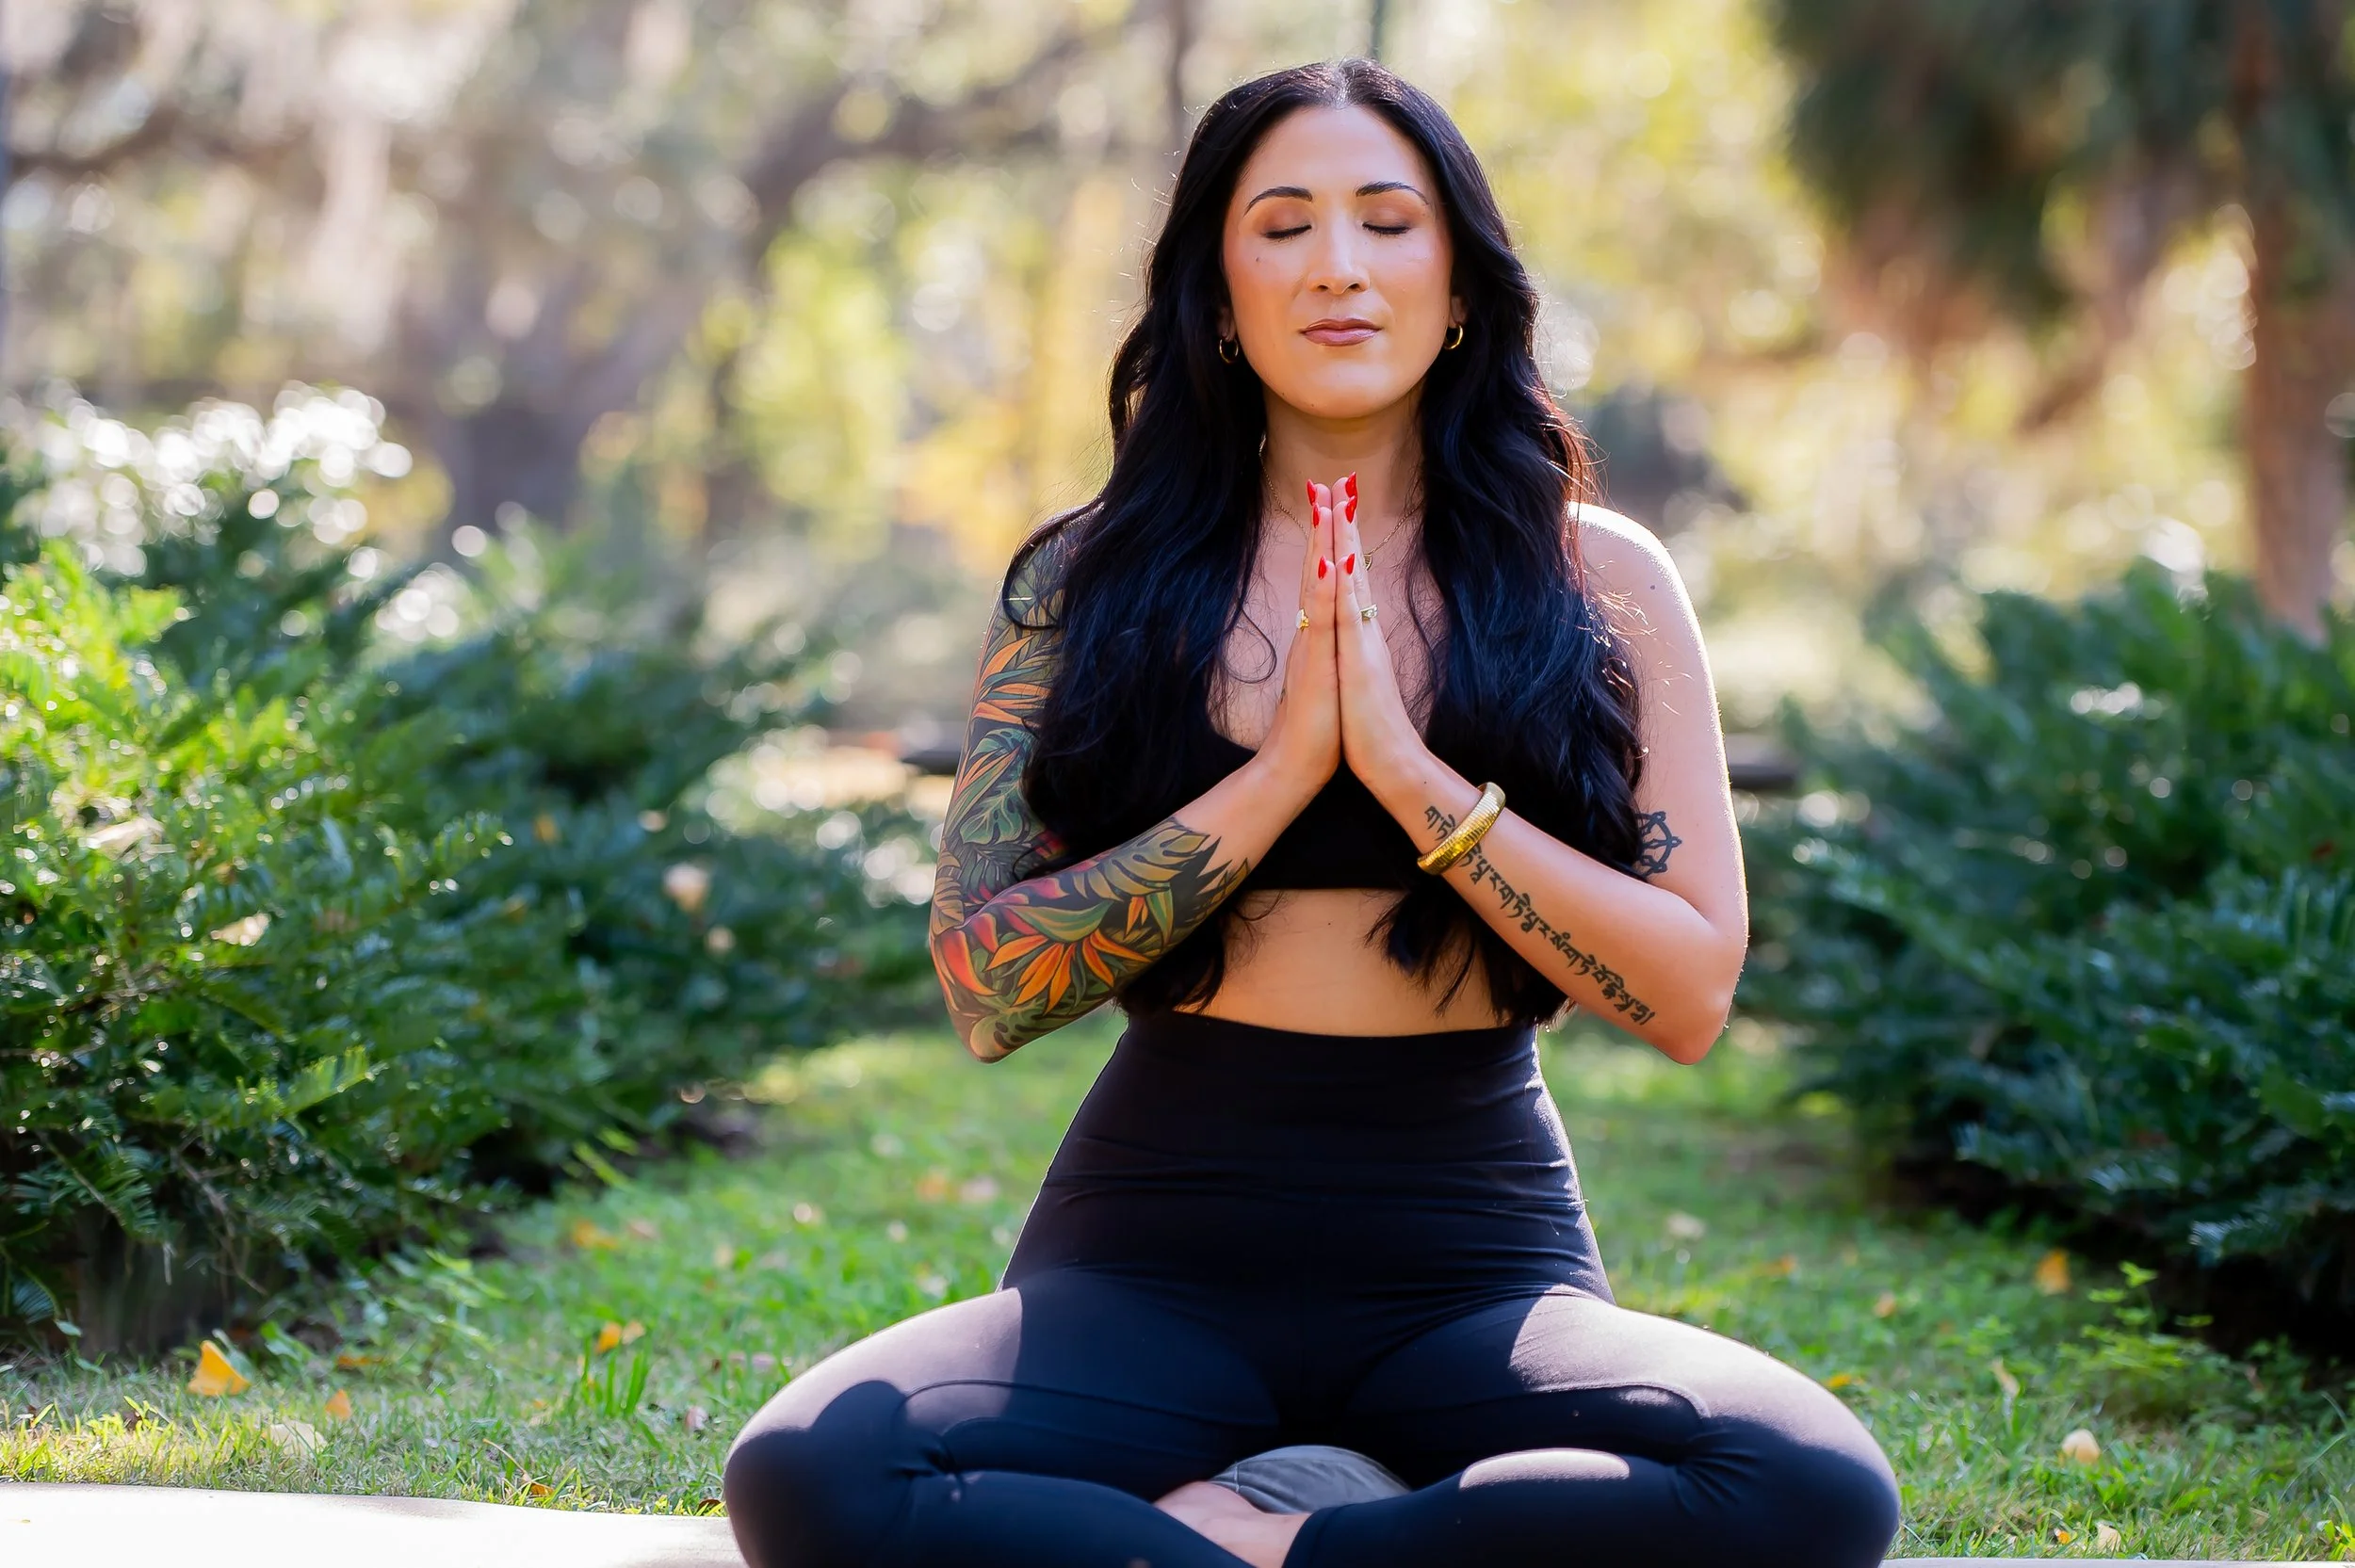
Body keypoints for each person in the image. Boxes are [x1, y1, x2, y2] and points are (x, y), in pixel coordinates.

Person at [724, 57, 1901, 1568]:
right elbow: (984, 987)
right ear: (1217, 296)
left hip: (1473, 1256)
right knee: (811, 1481)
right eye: (1281, 225)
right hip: (1153, 1244)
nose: (1337, 266)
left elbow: (1689, 994)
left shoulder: (1599, 583)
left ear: (1460, 280)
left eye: (1387, 221)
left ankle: (1269, 1542)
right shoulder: (1083, 587)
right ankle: (1316, 1518)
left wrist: (1412, 781)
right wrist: (1278, 774)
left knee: (1809, 1489)